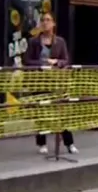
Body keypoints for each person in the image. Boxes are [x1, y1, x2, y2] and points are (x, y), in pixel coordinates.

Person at [23, 12, 78, 155]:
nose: (45, 23)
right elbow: (27, 61)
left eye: (48, 20)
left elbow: (66, 60)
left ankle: (69, 143)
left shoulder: (60, 42)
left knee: (61, 113)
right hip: (40, 82)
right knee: (41, 113)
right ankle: (41, 143)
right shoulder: (34, 42)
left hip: (56, 82)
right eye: (43, 20)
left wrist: (57, 62)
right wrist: (41, 64)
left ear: (53, 24)